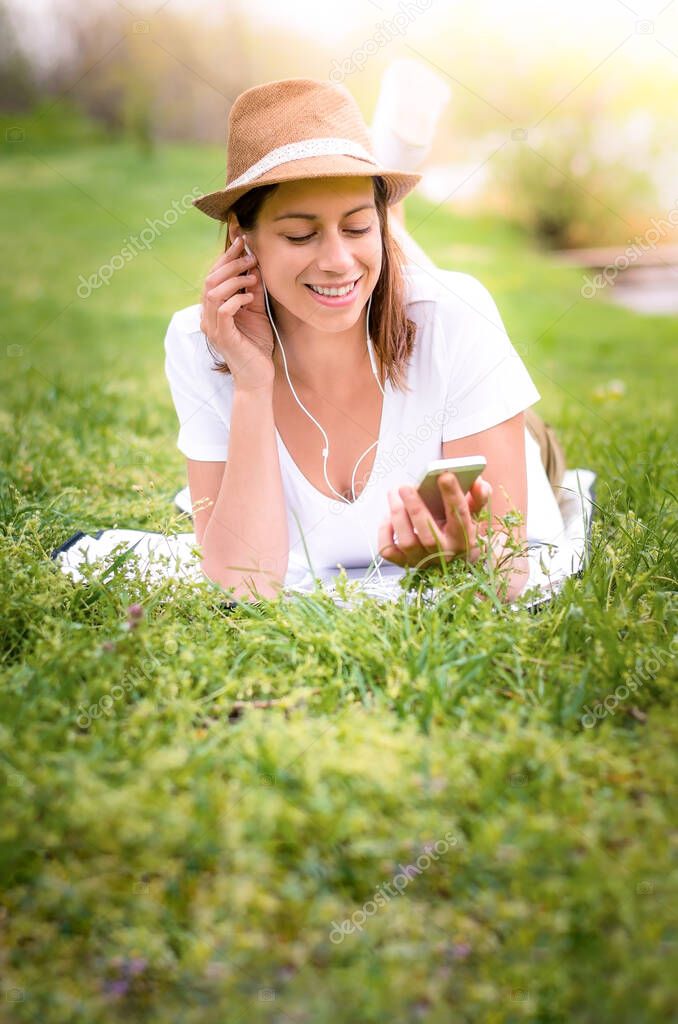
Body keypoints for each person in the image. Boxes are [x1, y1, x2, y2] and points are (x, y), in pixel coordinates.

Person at [163, 77, 568, 604]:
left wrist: (462, 559)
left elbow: (508, 573)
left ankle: (386, 211)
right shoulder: (200, 340)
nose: (335, 258)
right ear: (243, 235)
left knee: (428, 297)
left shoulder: (456, 318)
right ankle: (380, 188)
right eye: (300, 234)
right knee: (364, 278)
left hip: (496, 422)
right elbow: (242, 585)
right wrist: (251, 384)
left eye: (357, 227)